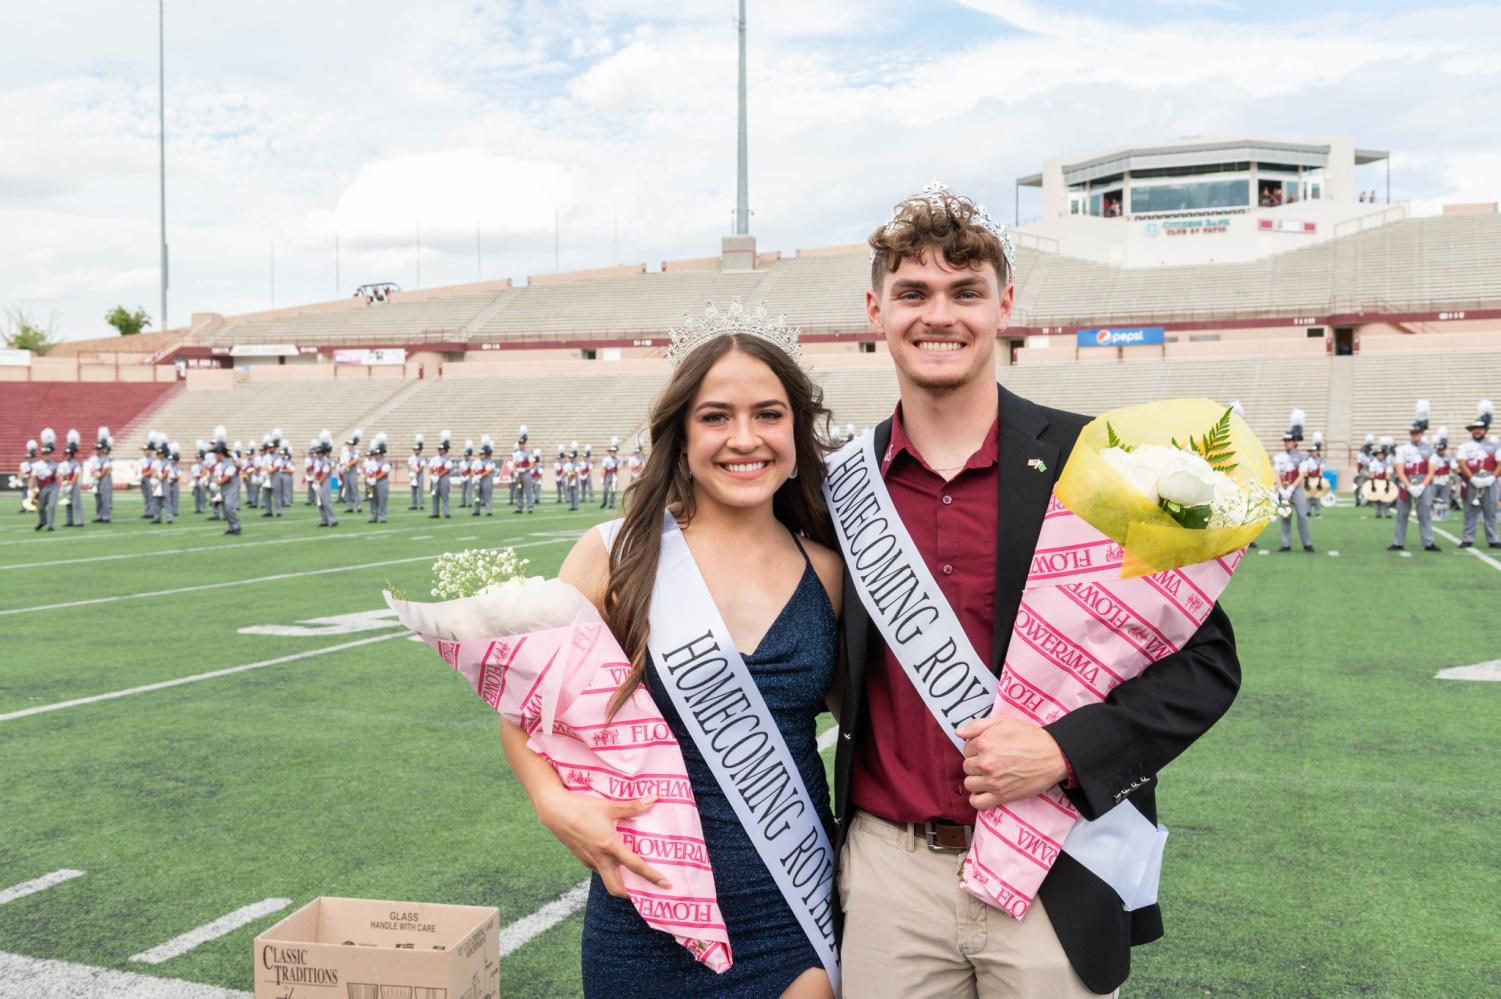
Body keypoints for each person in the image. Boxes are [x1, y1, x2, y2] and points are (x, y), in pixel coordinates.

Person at [831, 184, 1240, 997]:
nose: (936, 314)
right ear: (875, 309)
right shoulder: (837, 485)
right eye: (911, 292)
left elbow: (1206, 666)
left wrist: (1062, 752)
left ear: (1004, 305)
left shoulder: (1098, 460)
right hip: (888, 871)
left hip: (1057, 860)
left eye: (964, 292)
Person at [504, 310, 843, 999]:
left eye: (768, 415)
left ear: (795, 432)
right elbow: (524, 709)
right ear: (681, 435)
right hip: (646, 907)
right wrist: (551, 802)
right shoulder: (613, 554)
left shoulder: (829, 571)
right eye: (716, 416)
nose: (744, 438)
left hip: (790, 907)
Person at [1392, 405, 1438, 552]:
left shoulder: (1430, 449)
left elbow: (1431, 471)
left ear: (1422, 433)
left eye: (1417, 432)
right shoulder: (1402, 449)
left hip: (1423, 481)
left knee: (1424, 514)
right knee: (1402, 514)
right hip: (1406, 481)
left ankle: (1428, 542)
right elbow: (1400, 470)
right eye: (1412, 433)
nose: (1414, 435)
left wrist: (1422, 486)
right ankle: (1398, 542)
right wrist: (1409, 485)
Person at [1456, 401, 1499, 548]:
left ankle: (1493, 539)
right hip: (1472, 479)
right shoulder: (1464, 446)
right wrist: (1472, 478)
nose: (1477, 431)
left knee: (1491, 511)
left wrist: (1492, 477)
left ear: (1485, 430)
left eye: (1480, 428)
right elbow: (1461, 463)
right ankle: (1468, 538)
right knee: (1470, 511)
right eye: (1474, 429)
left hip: (1490, 479)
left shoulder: (1495, 446)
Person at [1274, 416, 1314, 552]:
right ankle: (1286, 544)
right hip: (1283, 489)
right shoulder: (1279, 457)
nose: (1286, 443)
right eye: (1285, 440)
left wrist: (1291, 488)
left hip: (1296, 489)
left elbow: (1302, 474)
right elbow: (1277, 474)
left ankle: (1307, 543)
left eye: (1289, 440)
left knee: (1302, 515)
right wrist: (1280, 489)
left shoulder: (1302, 457)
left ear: (1295, 442)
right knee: (1285, 516)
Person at [210, 430, 241, 535]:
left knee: (229, 507)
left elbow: (227, 477)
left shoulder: (230, 464)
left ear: (220, 454)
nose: (215, 456)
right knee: (225, 508)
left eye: (216, 454)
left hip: (231, 488)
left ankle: (236, 526)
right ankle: (231, 527)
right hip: (223, 488)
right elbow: (217, 476)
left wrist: (217, 482)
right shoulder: (219, 465)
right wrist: (215, 481)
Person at [33, 428, 59, 531]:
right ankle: (42, 521)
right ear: (42, 454)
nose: (46, 456)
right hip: (42, 488)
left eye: (48, 454)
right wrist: (32, 489)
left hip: (53, 487)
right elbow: (33, 477)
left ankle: (50, 525)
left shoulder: (56, 465)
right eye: (45, 454)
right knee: (41, 507)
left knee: (52, 506)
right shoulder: (37, 465)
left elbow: (60, 476)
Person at [367, 433, 392, 523]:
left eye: (378, 454)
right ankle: (373, 516)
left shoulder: (385, 462)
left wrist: (375, 478)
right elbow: (367, 471)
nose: (376, 455)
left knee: (382, 500)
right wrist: (368, 479)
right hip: (370, 483)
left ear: (382, 454)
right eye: (375, 454)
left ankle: (383, 516)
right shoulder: (370, 462)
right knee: (371, 499)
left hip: (382, 482)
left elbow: (384, 473)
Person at [91, 428, 114, 523]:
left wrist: (98, 475)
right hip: (96, 478)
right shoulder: (93, 458)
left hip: (103, 478)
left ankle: (106, 516)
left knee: (105, 497)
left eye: (99, 449)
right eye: (97, 449)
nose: (97, 451)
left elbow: (105, 469)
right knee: (97, 497)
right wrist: (94, 476)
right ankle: (99, 515)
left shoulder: (106, 458)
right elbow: (92, 468)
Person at [1430, 429, 1453, 521]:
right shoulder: (1433, 457)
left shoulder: (1448, 458)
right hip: (1435, 479)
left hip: (1445, 479)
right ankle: (1432, 514)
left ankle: (1444, 514)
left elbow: (1454, 466)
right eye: (1439, 449)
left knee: (1444, 498)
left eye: (1442, 449)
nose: (1441, 451)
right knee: (1432, 498)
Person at [429, 430, 453, 518]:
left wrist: (438, 476)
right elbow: (430, 467)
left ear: (445, 450)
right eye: (439, 449)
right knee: (434, 496)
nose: (439, 450)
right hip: (435, 478)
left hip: (443, 479)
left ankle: (446, 513)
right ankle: (435, 513)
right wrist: (432, 476)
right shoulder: (434, 458)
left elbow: (447, 470)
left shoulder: (448, 459)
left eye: (441, 449)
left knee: (444, 496)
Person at [600, 438, 620, 509]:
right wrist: (602, 478)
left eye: (614, 451)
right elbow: (603, 468)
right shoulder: (606, 459)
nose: (613, 453)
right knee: (605, 490)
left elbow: (618, 469)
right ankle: (604, 502)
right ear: (610, 452)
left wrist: (616, 476)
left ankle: (612, 504)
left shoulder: (618, 460)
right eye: (612, 451)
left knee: (613, 490)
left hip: (614, 475)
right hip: (607, 475)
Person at [409, 434, 425, 509]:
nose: (415, 451)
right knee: (413, 490)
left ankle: (421, 504)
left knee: (420, 490)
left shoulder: (422, 458)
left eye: (417, 450)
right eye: (415, 450)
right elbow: (409, 465)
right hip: (413, 474)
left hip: (419, 474)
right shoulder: (411, 458)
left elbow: (422, 466)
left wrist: (417, 472)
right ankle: (414, 504)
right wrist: (412, 472)